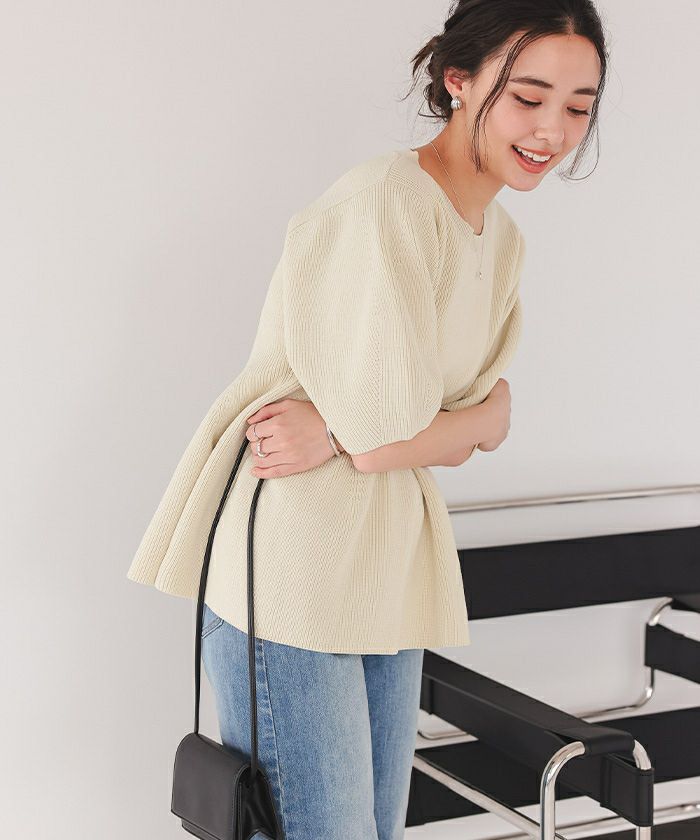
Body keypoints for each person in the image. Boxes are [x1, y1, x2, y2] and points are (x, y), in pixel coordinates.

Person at [127, 1, 608, 837]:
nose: (552, 130)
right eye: (528, 97)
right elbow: (420, 429)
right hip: (296, 564)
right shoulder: (388, 202)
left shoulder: (500, 239)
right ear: (459, 81)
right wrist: (459, 423)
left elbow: (437, 426)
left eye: (578, 106)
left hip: (386, 565)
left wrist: (369, 430)